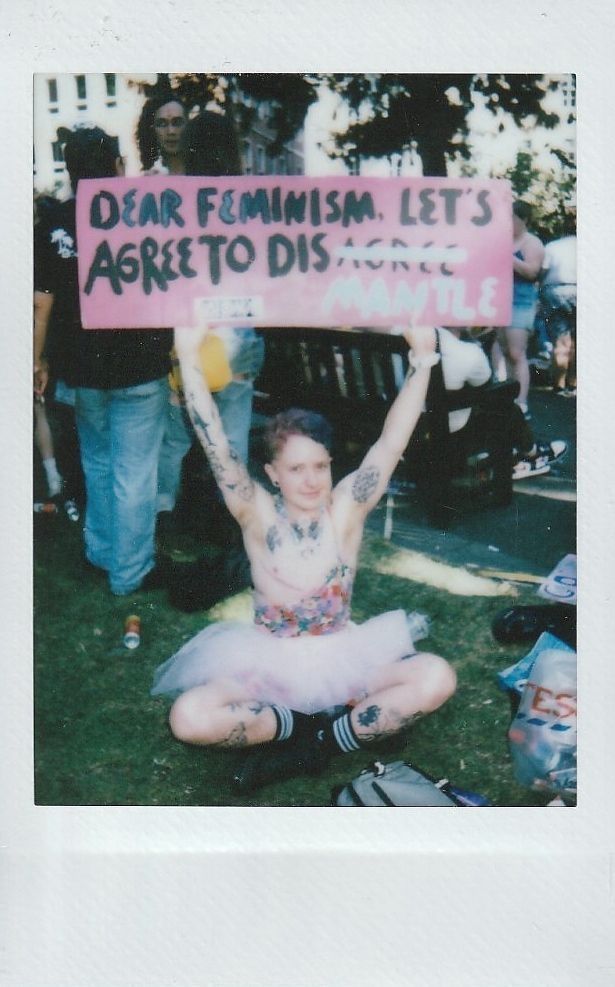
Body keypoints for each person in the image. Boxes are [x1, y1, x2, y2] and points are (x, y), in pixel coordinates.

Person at [151, 323, 457, 791]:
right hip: (265, 665)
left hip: (345, 658)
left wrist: (423, 361)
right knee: (188, 718)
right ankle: (304, 730)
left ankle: (326, 741)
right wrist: (191, 362)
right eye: (296, 469)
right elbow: (217, 448)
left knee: (437, 678)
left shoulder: (346, 511)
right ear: (274, 474)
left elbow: (391, 443)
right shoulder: (256, 514)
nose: (311, 480)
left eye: (320, 466)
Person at [34, 126, 172, 595]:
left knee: (98, 461)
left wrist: (37, 361)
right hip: (140, 366)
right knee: (135, 472)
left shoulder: (53, 223)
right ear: (115, 165)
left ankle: (103, 551)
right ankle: (130, 571)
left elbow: (41, 302)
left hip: (83, 369)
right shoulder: (143, 214)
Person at [492, 201, 545, 418]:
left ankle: (521, 402)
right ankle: (503, 400)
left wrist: (509, 257)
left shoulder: (532, 242)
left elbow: (532, 272)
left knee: (516, 353)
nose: (509, 221)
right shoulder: (501, 240)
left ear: (524, 219)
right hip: (499, 300)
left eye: (513, 217)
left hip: (521, 302)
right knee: (500, 348)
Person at [539, 216, 577, 397]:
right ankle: (574, 383)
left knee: (561, 341)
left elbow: (542, 271)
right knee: (579, 341)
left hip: (555, 292)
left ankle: (559, 385)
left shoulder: (552, 247)